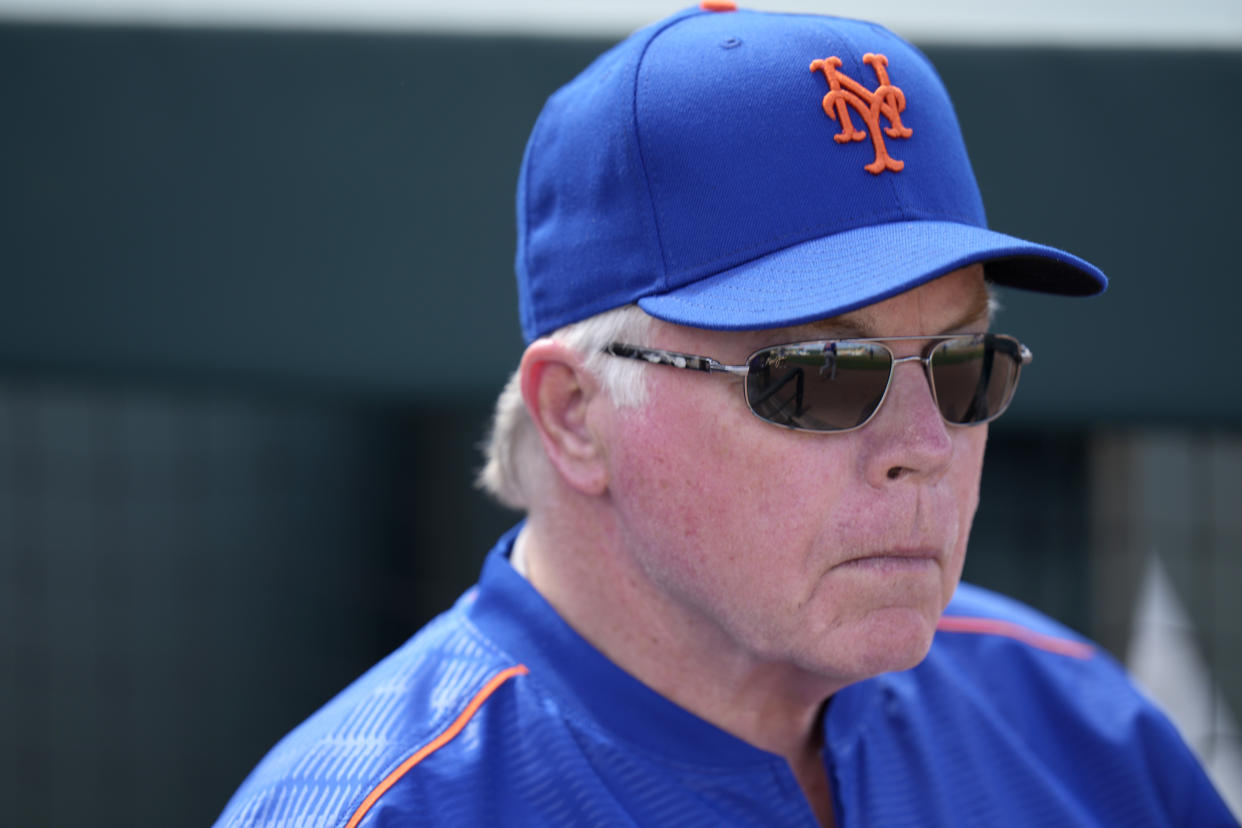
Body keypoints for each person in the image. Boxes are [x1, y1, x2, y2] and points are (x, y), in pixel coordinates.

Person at [215, 4, 1236, 826]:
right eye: (822, 375)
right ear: (575, 415)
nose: (926, 447)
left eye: (966, 366)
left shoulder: (1071, 720)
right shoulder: (385, 808)